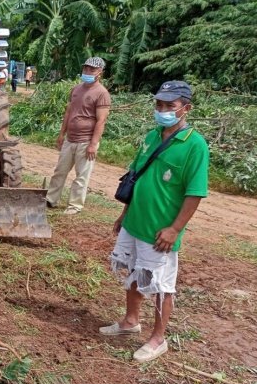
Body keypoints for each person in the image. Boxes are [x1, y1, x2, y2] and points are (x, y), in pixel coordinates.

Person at [100, 81, 209, 363]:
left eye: (170, 106)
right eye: (159, 105)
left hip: (160, 230)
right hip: (135, 221)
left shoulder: (194, 146)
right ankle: (130, 321)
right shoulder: (151, 136)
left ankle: (158, 338)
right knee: (135, 273)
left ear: (186, 108)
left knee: (161, 284)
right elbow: (135, 176)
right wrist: (124, 214)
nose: (163, 111)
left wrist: (174, 229)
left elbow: (194, 192)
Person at [45, 56, 111, 215]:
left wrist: (93, 144)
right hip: (70, 139)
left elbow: (101, 120)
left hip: (86, 140)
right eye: (86, 68)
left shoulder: (102, 93)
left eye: (92, 69)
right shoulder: (76, 89)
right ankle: (50, 199)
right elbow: (69, 112)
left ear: (100, 72)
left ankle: (74, 206)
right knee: (60, 171)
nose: (87, 71)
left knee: (81, 176)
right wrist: (62, 134)